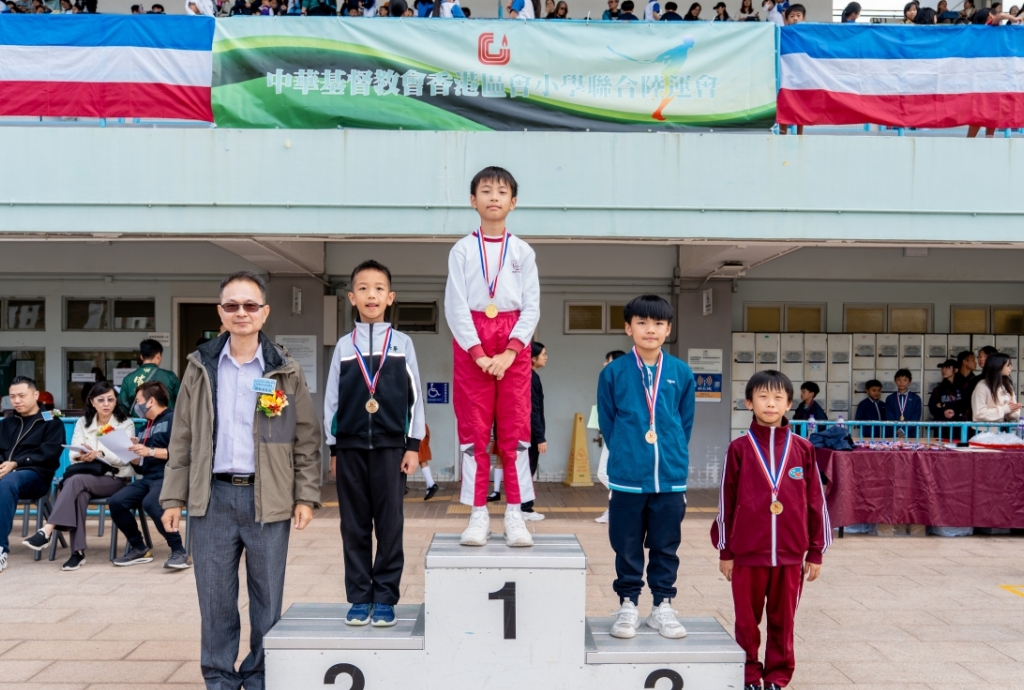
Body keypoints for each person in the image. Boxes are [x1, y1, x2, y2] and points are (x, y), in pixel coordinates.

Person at [159, 271, 322, 690]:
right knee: (215, 598)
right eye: (232, 305)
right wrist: (173, 498)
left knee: (267, 597)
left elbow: (304, 436)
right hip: (212, 498)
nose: (241, 313)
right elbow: (182, 437)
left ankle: (260, 674)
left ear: (265, 312)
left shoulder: (283, 369)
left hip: (268, 499)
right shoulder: (200, 367)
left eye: (250, 305)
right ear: (221, 312)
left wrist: (305, 495)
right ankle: (219, 677)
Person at [712, 370, 829, 690]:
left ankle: (777, 676)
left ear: (789, 404)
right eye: (762, 397)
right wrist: (725, 549)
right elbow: (726, 501)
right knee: (746, 621)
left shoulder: (803, 448)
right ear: (749, 403)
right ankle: (749, 674)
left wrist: (816, 550)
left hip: (790, 554)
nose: (770, 403)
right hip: (747, 553)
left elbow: (816, 502)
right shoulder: (739, 448)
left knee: (783, 621)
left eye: (778, 397)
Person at [324, 260, 425, 627]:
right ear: (352, 297)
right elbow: (332, 401)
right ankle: (359, 597)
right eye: (363, 288)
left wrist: (412, 445)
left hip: (390, 449)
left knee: (389, 525)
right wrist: (334, 447)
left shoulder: (402, 344)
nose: (371, 295)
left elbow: (415, 398)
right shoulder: (343, 346)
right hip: (350, 448)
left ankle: (384, 597)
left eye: (379, 288)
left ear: (390, 297)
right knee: (353, 525)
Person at [445, 168, 540, 549]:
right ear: (473, 200)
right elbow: (455, 305)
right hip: (473, 340)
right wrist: (478, 353)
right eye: (486, 191)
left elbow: (532, 307)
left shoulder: (523, 251)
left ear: (513, 202)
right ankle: (478, 513)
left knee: (515, 430)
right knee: (474, 429)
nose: (494, 197)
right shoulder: (461, 250)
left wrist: (511, 351)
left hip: (513, 341)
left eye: (502, 192)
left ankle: (516, 512)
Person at [599, 295, 695, 641]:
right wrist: (628, 453)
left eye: (658, 323)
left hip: (669, 477)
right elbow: (608, 422)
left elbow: (684, 423)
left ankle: (661, 606)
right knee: (626, 544)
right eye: (641, 322)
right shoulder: (613, 372)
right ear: (628, 328)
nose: (650, 329)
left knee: (666, 544)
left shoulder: (681, 372)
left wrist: (671, 452)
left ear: (668, 329)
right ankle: (628, 604)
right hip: (628, 477)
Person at [21, 381, 136, 571]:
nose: (106, 404)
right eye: (101, 400)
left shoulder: (125, 423)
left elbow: (125, 457)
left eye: (110, 399)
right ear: (92, 402)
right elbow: (73, 454)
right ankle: (77, 553)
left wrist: (101, 454)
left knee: (74, 481)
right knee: (79, 495)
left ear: (116, 401)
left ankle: (47, 529)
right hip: (87, 476)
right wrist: (83, 456)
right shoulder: (83, 422)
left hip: (115, 478)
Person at [106, 382, 189, 569]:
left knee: (151, 502)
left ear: (150, 401)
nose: (136, 406)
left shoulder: (174, 419)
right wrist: (133, 454)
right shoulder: (144, 427)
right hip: (149, 478)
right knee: (116, 502)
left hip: (170, 476)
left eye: (138, 401)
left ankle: (179, 551)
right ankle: (139, 548)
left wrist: (150, 451)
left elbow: (184, 453)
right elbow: (140, 467)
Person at [0, 376, 65, 572]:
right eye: (12, 397)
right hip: (6, 474)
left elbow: (49, 455)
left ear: (36, 395)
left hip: (35, 477)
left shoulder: (51, 422)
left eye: (22, 396)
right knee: (6, 482)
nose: (16, 400)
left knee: (8, 482)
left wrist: (16, 463)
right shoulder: (7, 423)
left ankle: (1, 549)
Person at [521, 342, 547, 521]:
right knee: (527, 470)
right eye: (543, 354)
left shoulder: (530, 376)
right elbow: (533, 410)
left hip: (528, 433)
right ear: (533, 358)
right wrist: (540, 437)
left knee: (526, 469)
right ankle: (524, 508)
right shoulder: (531, 378)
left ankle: (524, 506)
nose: (546, 357)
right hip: (529, 434)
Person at [118, 339, 181, 411]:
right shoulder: (170, 376)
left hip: (136, 418)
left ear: (141, 356)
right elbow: (181, 401)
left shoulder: (128, 379)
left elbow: (123, 406)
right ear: (158, 355)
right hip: (165, 418)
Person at [972, 352, 1022, 425]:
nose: (1011, 367)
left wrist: (1014, 409)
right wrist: (1005, 409)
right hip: (985, 430)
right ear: (999, 366)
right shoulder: (982, 386)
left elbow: (1012, 413)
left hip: (1004, 428)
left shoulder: (1007, 385)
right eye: (1008, 365)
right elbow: (979, 413)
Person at [885, 369, 922, 439]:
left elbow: (916, 417)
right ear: (895, 381)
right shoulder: (890, 398)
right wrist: (897, 430)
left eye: (905, 380)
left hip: (911, 434)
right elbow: (889, 417)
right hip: (893, 434)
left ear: (909, 381)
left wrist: (904, 431)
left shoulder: (916, 398)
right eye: (899, 380)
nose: (902, 383)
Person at [418, 425, 439, 500]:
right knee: (422, 459)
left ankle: (431, 484)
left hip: (415, 430)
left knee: (404, 458)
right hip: (422, 427)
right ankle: (430, 485)